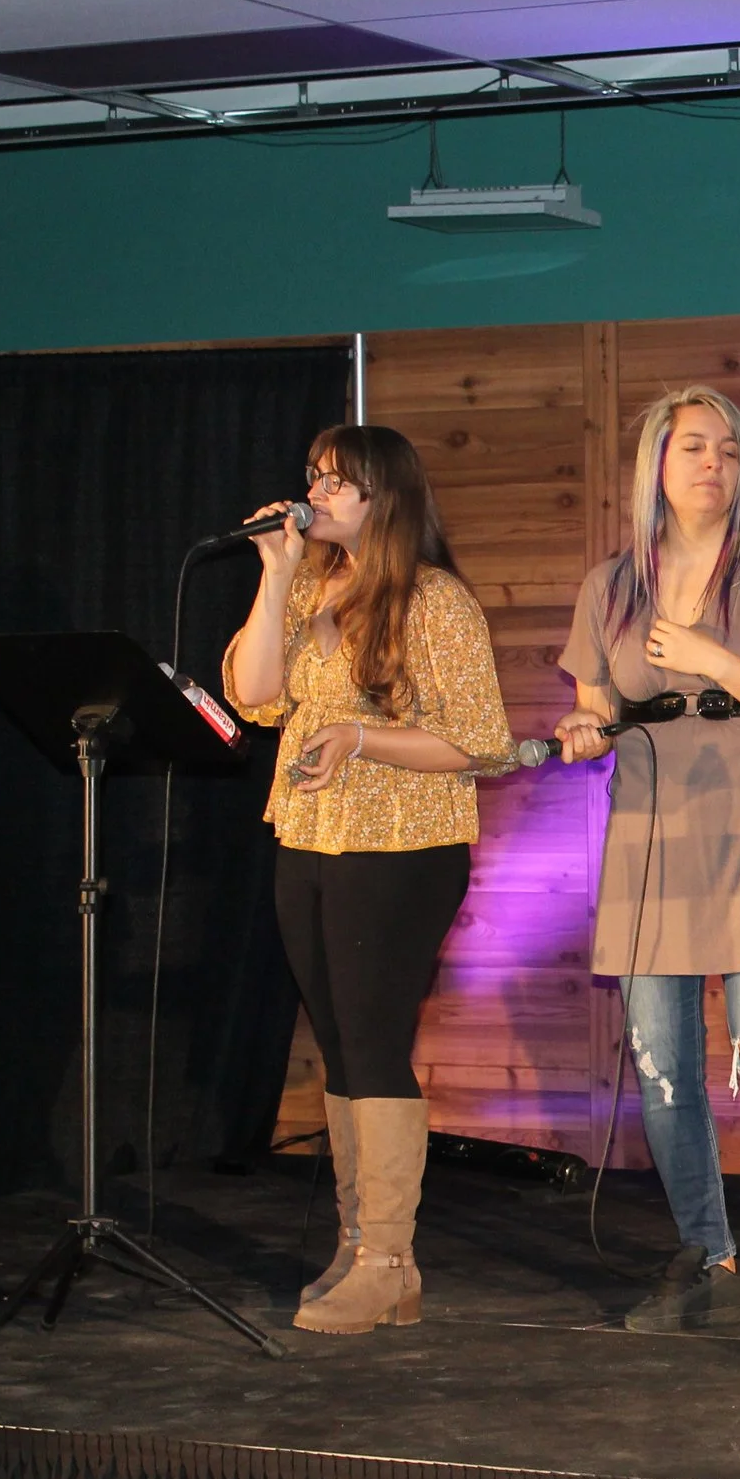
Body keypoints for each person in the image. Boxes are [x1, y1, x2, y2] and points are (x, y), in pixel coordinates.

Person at [553, 386, 740, 1337]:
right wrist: (582, 727)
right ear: (656, 461)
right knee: (663, 1069)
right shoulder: (610, 587)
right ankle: (711, 1260)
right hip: (655, 841)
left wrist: (716, 661)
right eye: (694, 447)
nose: (714, 464)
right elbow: (597, 709)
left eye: (729, 450)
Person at [224, 425, 513, 1335]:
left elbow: (480, 741)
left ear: (383, 497)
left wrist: (358, 737)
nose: (314, 493)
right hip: (309, 836)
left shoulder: (434, 599)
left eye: (334, 481)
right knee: (341, 1045)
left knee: (376, 1040)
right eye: (312, 476)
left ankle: (389, 1257)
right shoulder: (312, 583)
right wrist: (275, 575)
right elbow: (253, 694)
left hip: (402, 846)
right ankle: (363, 1248)